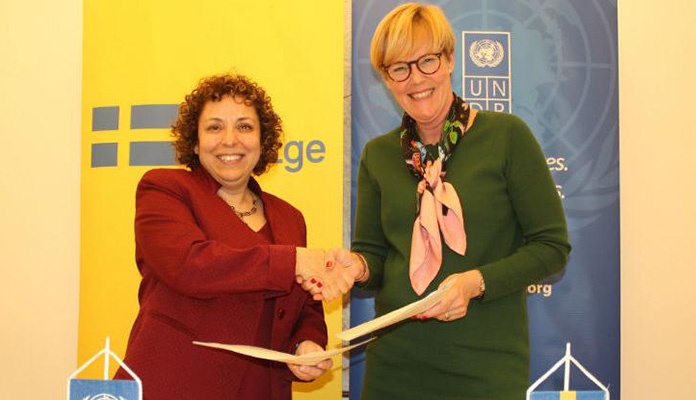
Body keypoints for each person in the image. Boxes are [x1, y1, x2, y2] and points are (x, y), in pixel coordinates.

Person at [327, 3, 571, 399]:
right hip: (394, 369)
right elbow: (375, 257)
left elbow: (552, 248)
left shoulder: (507, 137)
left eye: (427, 61)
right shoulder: (378, 155)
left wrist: (476, 283)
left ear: (450, 59)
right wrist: (356, 266)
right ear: (387, 79)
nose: (416, 79)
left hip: (485, 370)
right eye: (399, 68)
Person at [113, 73, 353, 399]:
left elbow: (304, 305)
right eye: (214, 127)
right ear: (195, 142)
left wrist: (305, 344)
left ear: (262, 140)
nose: (230, 140)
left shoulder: (290, 217)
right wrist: (294, 260)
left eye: (244, 126)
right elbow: (190, 266)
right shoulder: (164, 189)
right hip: (174, 385)